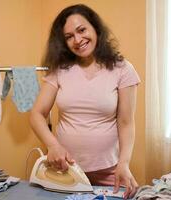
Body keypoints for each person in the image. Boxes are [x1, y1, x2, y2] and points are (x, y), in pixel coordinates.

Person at [29, 4, 140, 199]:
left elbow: (126, 122)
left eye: (81, 30)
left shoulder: (122, 68)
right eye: (69, 36)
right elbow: (37, 114)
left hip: (109, 171)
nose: (77, 40)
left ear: (95, 28)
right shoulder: (59, 69)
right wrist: (53, 146)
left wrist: (124, 163)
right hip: (65, 170)